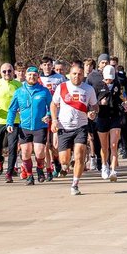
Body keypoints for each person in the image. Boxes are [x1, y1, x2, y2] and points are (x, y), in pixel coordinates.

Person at [50, 61, 98, 195]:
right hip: (64, 127)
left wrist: (92, 113)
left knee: (79, 156)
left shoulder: (88, 89)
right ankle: (65, 165)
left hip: (81, 126)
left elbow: (95, 106)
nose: (77, 76)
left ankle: (75, 184)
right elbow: (54, 105)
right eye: (74, 74)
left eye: (80, 74)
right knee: (64, 160)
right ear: (69, 74)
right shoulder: (62, 87)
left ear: (83, 75)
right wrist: (54, 120)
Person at [6, 66, 53, 185]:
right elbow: (12, 109)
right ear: (25, 76)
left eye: (34, 75)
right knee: (25, 152)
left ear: (38, 77)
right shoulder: (19, 92)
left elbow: (52, 106)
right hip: (24, 127)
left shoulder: (44, 91)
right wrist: (9, 123)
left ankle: (40, 169)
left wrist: (48, 115)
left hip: (40, 126)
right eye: (29, 75)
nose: (32, 77)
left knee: (39, 152)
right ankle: (29, 176)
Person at [94, 65, 127, 182]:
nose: (109, 81)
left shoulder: (118, 84)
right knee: (104, 146)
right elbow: (92, 102)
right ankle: (104, 165)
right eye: (107, 79)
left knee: (113, 145)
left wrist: (124, 105)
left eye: (111, 79)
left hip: (115, 116)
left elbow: (121, 97)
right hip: (102, 117)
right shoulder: (98, 85)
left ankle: (113, 170)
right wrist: (99, 103)